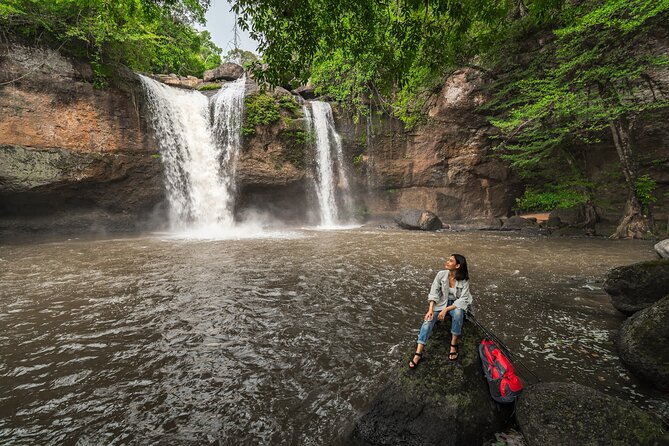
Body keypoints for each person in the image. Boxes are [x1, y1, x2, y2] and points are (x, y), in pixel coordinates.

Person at [409, 254, 472, 368]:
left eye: (450, 261)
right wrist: (431, 310)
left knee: (458, 313)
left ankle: (453, 344)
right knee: (428, 320)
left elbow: (463, 299)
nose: (447, 262)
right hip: (441, 303)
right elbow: (434, 292)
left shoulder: (464, 280)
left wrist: (446, 310)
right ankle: (418, 353)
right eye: (448, 260)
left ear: (457, 265)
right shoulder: (441, 274)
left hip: (455, 305)